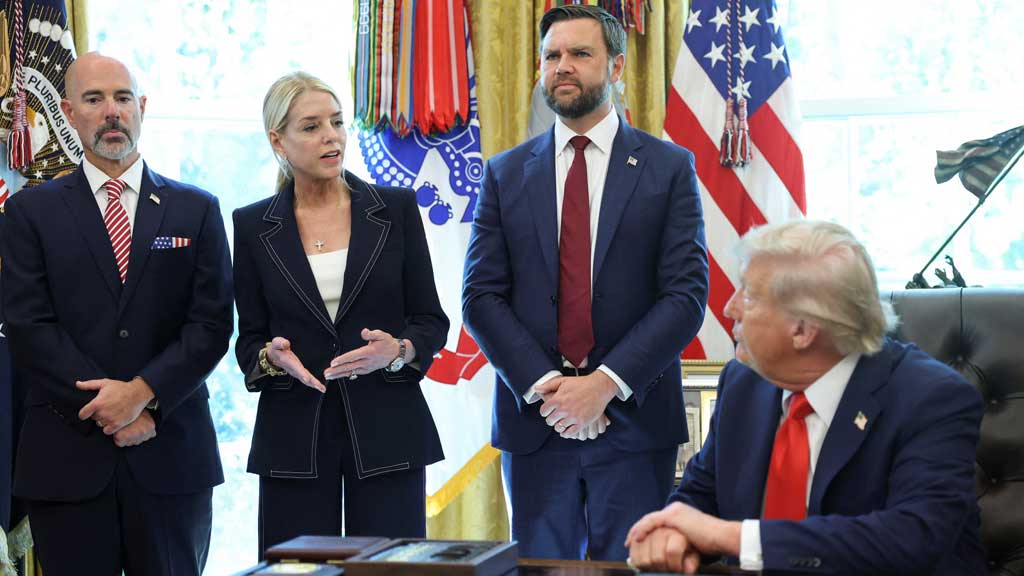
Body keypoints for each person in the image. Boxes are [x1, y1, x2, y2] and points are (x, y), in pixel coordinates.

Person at [462, 5, 708, 561]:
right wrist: (550, 386)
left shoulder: (669, 167)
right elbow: (481, 297)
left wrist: (602, 385)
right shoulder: (504, 173)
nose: (562, 67)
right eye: (551, 56)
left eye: (580, 54)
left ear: (617, 67)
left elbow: (686, 296)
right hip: (535, 423)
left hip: (633, 421)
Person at [626, 220, 986, 575]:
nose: (729, 308)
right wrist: (672, 533)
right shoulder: (743, 383)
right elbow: (700, 495)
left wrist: (732, 538)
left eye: (749, 296)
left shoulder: (931, 399)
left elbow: (911, 537)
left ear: (802, 330)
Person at [0, 53, 233, 575]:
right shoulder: (28, 213)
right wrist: (110, 405)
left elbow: (211, 324)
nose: (111, 111)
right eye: (94, 98)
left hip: (171, 454)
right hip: (67, 458)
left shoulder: (196, 208)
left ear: (142, 108)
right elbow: (28, 326)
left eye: (123, 98)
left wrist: (143, 397)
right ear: (67, 112)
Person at [232, 72, 448, 556]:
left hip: (389, 428)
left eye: (337, 122)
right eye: (311, 127)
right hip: (293, 435)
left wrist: (398, 350)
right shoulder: (250, 225)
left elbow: (431, 320)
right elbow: (248, 341)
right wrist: (271, 356)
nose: (331, 136)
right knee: (298, 570)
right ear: (278, 141)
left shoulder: (395, 209)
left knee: (394, 571)